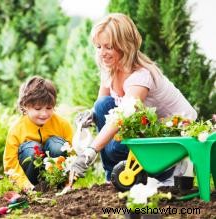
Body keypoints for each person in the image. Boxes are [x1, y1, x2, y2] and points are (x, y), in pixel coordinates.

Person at [71, 13, 197, 184]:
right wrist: (90, 115)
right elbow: (103, 104)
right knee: (102, 106)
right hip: (144, 126)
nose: (102, 53)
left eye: (109, 47)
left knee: (115, 145)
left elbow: (121, 116)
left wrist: (90, 152)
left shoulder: (140, 76)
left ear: (125, 45)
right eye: (99, 47)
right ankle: (113, 178)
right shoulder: (110, 67)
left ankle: (165, 171)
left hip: (173, 136)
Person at [3, 76, 73, 190]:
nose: (44, 114)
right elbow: (10, 163)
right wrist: (25, 185)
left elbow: (73, 155)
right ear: (25, 106)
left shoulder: (63, 125)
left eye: (49, 108)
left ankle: (57, 185)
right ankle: (36, 187)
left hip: (56, 175)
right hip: (30, 180)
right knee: (32, 149)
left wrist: (69, 182)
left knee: (58, 146)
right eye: (38, 108)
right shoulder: (17, 129)